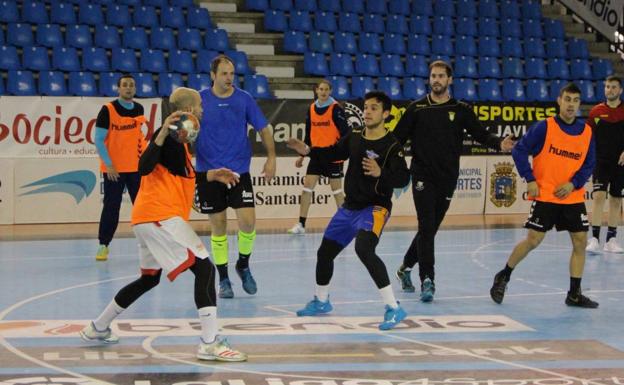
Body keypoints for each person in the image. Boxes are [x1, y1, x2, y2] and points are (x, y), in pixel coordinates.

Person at [80, 87, 247, 361]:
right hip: (160, 217)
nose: (203, 111)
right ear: (190, 111)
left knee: (149, 279)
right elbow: (143, 167)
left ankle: (98, 327)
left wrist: (211, 175)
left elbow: (181, 177)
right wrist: (158, 135)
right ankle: (209, 343)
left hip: (148, 218)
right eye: (200, 107)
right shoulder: (168, 136)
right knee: (205, 268)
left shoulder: (178, 143)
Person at [392, 60, 515, 302]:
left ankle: (404, 268)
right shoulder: (416, 109)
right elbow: (396, 139)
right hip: (422, 176)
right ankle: (428, 280)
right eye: (433, 76)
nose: (436, 80)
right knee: (426, 226)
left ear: (450, 80)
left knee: (430, 230)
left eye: (441, 76)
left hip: (448, 178)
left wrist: (499, 143)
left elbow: (481, 134)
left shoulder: (461, 110)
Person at [287, 91, 410, 330]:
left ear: (385, 114)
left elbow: (403, 178)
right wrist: (309, 150)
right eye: (366, 107)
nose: (367, 111)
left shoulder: (392, 145)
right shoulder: (354, 137)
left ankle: (394, 308)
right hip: (349, 207)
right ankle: (322, 302)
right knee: (324, 253)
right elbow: (333, 153)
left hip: (375, 207)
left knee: (364, 248)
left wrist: (381, 173)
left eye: (374, 108)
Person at [490, 82, 598, 309]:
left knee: (580, 242)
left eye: (575, 101)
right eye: (567, 99)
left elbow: (589, 164)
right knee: (533, 240)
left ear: (579, 104)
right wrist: (529, 179)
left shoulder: (587, 132)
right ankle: (504, 276)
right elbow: (519, 150)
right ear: (559, 100)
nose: (571, 105)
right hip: (546, 195)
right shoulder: (545, 127)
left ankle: (574, 294)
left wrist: (573, 184)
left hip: (572, 196)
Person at [195, 55, 276, 299]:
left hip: (238, 172)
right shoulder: (199, 100)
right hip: (209, 174)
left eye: (232, 74)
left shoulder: (244, 99)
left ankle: (243, 264)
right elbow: (185, 132)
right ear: (213, 75)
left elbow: (264, 127)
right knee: (218, 227)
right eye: (224, 74)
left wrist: (271, 157)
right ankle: (224, 278)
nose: (229, 78)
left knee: (248, 221)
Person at [94, 74, 147, 261]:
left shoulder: (139, 108)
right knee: (111, 207)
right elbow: (98, 140)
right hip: (114, 170)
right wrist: (109, 165)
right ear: (118, 88)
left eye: (132, 85)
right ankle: (103, 244)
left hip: (135, 169)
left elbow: (138, 138)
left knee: (143, 208)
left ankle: (150, 243)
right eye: (125, 85)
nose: (129, 88)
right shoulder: (108, 109)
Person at [287, 79, 350, 235]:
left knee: (337, 191)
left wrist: (340, 150)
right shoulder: (312, 108)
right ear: (316, 90)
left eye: (326, 89)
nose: (323, 92)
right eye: (321, 89)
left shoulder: (336, 109)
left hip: (332, 155)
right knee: (307, 188)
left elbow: (346, 133)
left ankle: (345, 224)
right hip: (316, 154)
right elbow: (308, 134)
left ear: (330, 91)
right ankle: (301, 224)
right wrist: (302, 156)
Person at [586, 76, 624, 254]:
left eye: (614, 87)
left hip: (620, 163)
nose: (610, 90)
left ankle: (611, 240)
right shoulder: (596, 112)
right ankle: (594, 238)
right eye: (607, 87)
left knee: (616, 200)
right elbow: (587, 137)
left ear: (620, 90)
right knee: (599, 197)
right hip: (601, 161)